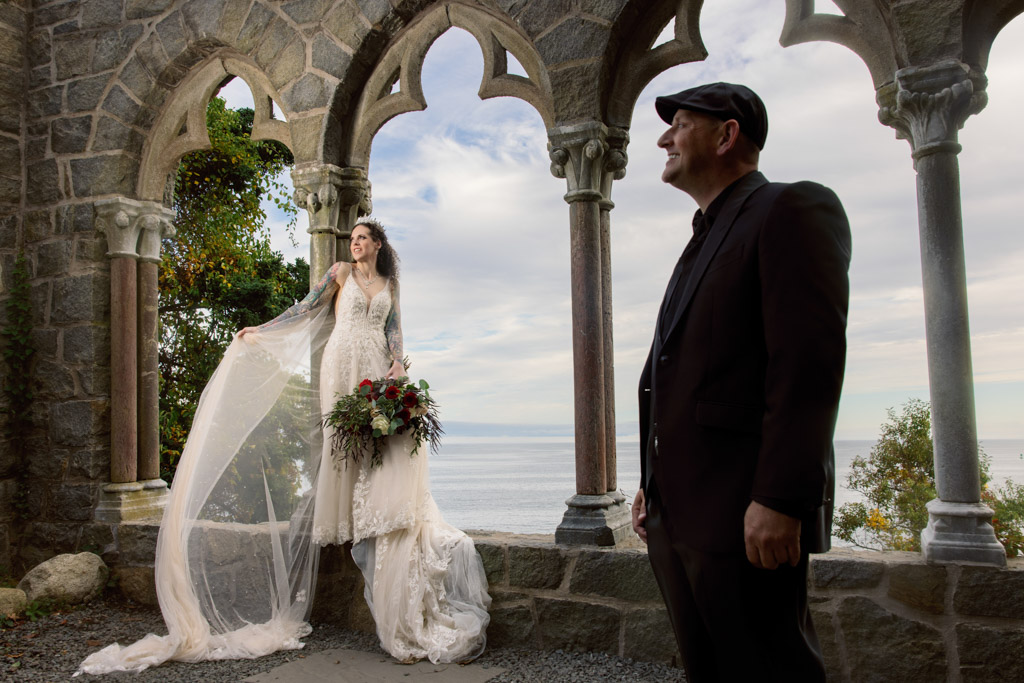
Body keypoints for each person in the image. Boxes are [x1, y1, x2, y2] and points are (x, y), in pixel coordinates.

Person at [79, 219, 489, 675]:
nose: (354, 244)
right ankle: (357, 513)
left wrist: (397, 364)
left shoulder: (391, 283)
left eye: (361, 238)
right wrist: (262, 328)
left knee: (386, 440)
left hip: (375, 364)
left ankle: (381, 509)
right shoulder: (338, 274)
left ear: (377, 244)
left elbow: (395, 334)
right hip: (341, 364)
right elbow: (305, 309)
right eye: (351, 238)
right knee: (351, 440)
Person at [631, 83, 851, 682]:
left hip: (746, 516)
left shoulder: (790, 209)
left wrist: (781, 498)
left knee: (770, 671)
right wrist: (654, 482)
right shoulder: (703, 235)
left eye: (679, 123)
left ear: (727, 135)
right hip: (682, 512)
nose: (663, 138)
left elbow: (808, 362)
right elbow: (684, 371)